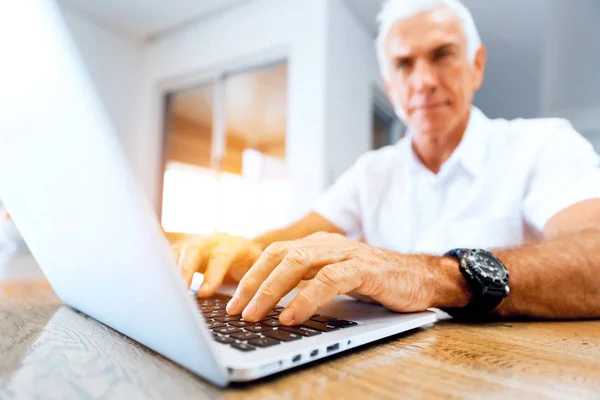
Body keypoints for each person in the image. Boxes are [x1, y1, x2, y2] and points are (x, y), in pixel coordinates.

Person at [172, 0, 600, 325]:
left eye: (442, 55)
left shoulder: (543, 143)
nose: (424, 81)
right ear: (390, 86)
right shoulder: (370, 172)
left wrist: (431, 275)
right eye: (404, 63)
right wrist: (235, 249)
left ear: (477, 65)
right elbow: (294, 240)